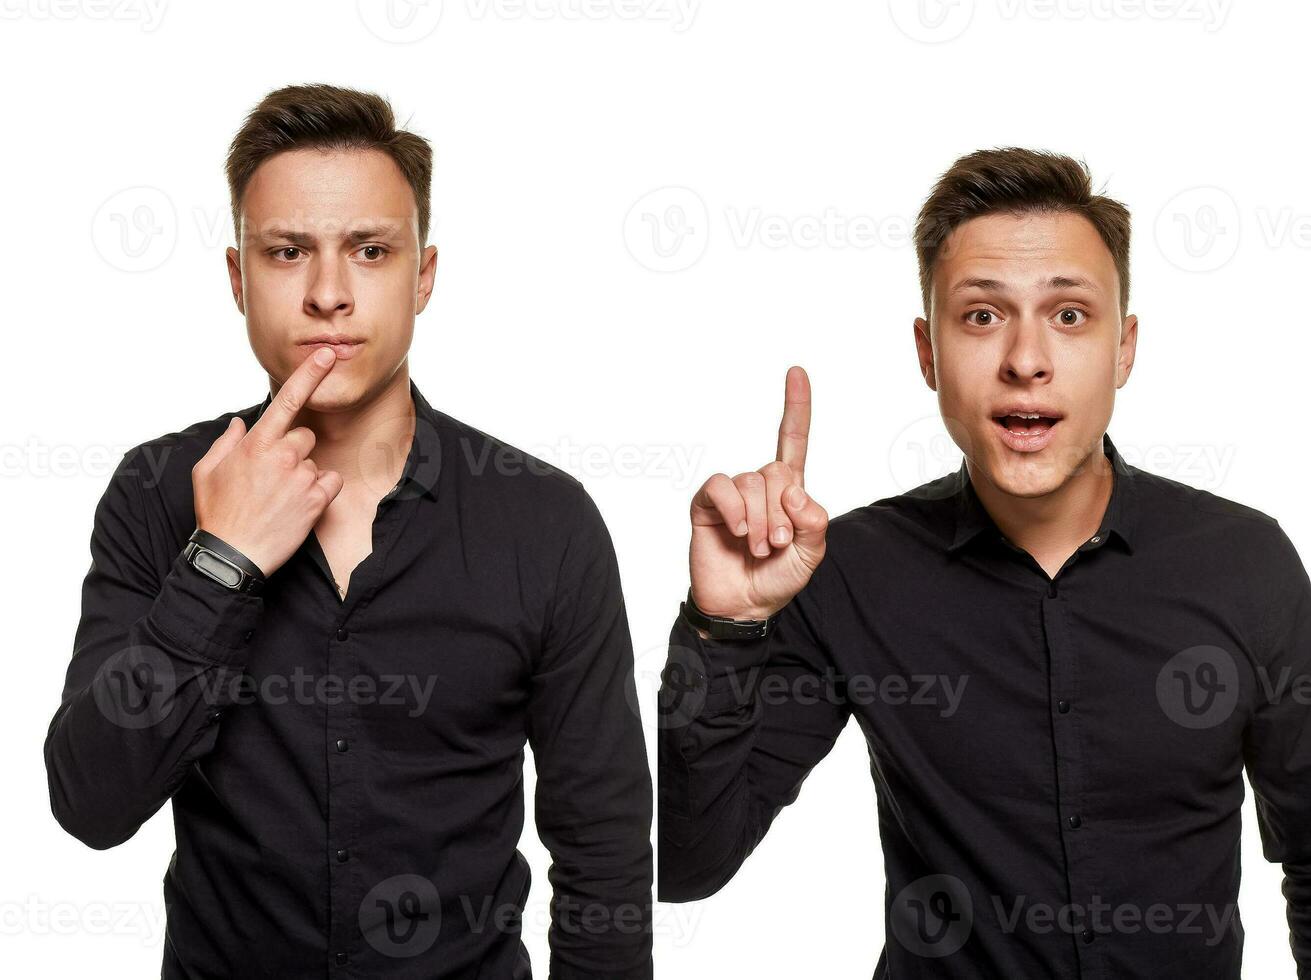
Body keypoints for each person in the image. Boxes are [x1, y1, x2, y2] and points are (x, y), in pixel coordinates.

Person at [44, 83, 652, 980]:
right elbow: (93, 803)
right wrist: (223, 562)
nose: (328, 294)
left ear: (424, 275)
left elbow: (601, 849)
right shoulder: (155, 492)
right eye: (288, 252)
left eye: (369, 251)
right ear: (237, 278)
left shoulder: (544, 521)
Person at [658, 147, 1311, 978]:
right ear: (927, 355)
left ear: (1125, 348)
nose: (1025, 359)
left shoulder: (1243, 561)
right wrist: (724, 629)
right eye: (981, 317)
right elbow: (684, 866)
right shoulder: (847, 569)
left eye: (1069, 315)